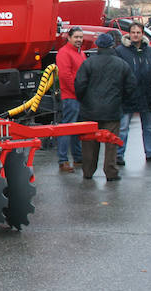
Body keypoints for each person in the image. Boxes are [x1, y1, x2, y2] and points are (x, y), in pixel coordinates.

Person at [74, 32, 135, 181]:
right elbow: (131, 86)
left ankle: (88, 171)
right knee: (111, 143)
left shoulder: (88, 63)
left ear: (98, 46)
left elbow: (79, 85)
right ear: (112, 45)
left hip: (90, 111)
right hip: (112, 110)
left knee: (89, 143)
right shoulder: (121, 64)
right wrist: (121, 101)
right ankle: (111, 172)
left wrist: (83, 100)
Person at [114, 22, 151, 165]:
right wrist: (123, 90)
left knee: (149, 126)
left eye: (138, 32)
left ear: (142, 33)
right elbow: (117, 73)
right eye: (133, 32)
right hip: (128, 95)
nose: (135, 35)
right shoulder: (120, 51)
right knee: (123, 127)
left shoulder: (150, 51)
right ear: (129, 34)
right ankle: (118, 154)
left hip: (146, 94)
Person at [56, 26, 85, 172]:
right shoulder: (64, 53)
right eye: (76, 37)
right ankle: (63, 160)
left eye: (81, 37)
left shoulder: (81, 53)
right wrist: (78, 91)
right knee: (67, 128)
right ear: (69, 37)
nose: (79, 40)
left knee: (76, 128)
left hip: (78, 96)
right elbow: (65, 76)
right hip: (70, 97)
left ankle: (78, 158)